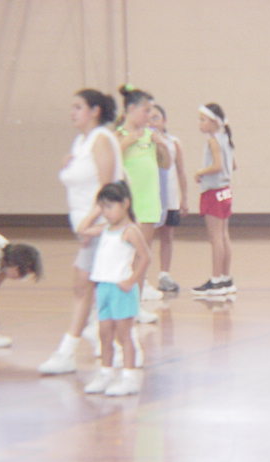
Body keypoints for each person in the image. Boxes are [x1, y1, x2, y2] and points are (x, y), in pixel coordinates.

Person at [39, 88, 127, 375]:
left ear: (95, 111)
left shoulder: (101, 139)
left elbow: (108, 189)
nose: (72, 112)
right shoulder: (81, 142)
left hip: (103, 229)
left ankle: (69, 350)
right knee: (91, 287)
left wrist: (91, 223)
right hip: (89, 229)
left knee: (85, 285)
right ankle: (106, 341)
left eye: (78, 107)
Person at [78, 181, 150, 396]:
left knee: (124, 335)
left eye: (110, 207)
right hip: (104, 287)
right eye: (103, 207)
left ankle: (129, 377)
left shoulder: (130, 231)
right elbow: (82, 229)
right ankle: (106, 373)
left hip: (121, 289)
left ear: (125, 204)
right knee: (105, 334)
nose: (106, 212)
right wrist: (96, 210)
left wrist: (132, 281)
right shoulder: (106, 229)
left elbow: (145, 257)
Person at [116, 84, 170, 311]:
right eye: (145, 110)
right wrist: (126, 142)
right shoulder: (119, 135)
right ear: (131, 109)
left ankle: (136, 306)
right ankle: (122, 303)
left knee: (142, 255)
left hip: (149, 203)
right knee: (124, 256)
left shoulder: (150, 136)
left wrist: (162, 147)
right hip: (128, 205)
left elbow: (165, 164)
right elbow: (110, 161)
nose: (149, 116)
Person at [191, 103, 237, 296]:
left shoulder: (213, 141)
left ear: (214, 122)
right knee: (224, 235)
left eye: (203, 119)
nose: (200, 123)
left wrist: (200, 172)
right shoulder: (226, 139)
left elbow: (217, 165)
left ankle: (216, 280)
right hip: (225, 191)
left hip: (213, 191)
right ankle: (226, 278)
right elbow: (232, 165)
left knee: (216, 238)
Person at [149, 104, 189, 293]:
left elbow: (180, 171)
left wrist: (184, 198)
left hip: (169, 197)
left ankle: (164, 274)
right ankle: (141, 277)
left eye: (156, 117)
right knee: (146, 236)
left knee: (167, 236)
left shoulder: (173, 142)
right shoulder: (142, 142)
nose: (152, 122)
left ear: (164, 120)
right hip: (150, 198)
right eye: (149, 118)